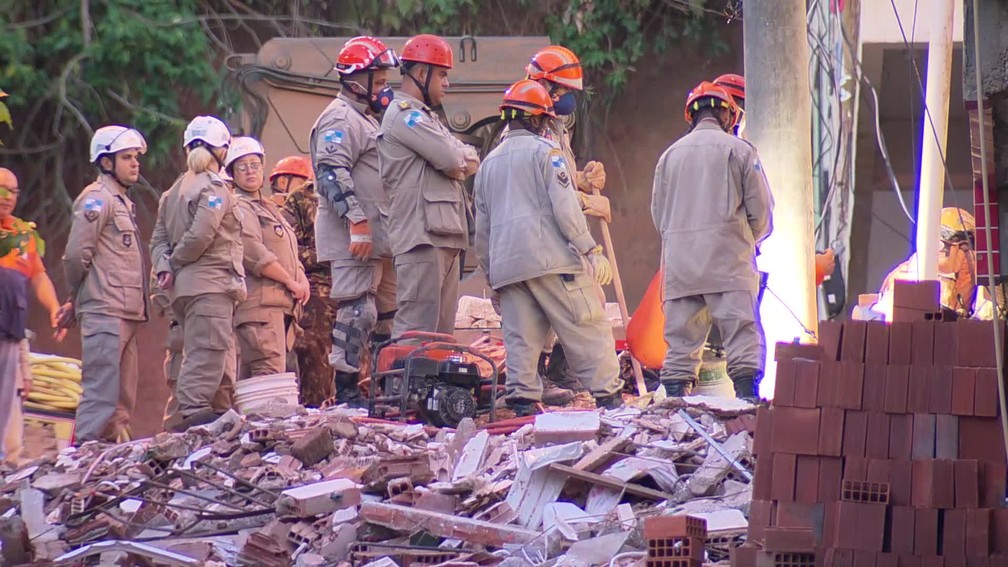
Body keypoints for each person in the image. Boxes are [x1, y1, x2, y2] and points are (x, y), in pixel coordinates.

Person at [474, 80, 624, 416]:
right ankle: (611, 400)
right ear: (539, 119)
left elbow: (481, 230)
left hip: (508, 268)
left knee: (521, 341)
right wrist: (590, 250)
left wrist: (490, 275)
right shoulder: (548, 154)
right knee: (588, 326)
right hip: (551, 262)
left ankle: (524, 404)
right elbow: (567, 210)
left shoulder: (488, 165)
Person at [651, 82, 774, 399]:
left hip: (682, 267)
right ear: (729, 115)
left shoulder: (668, 157)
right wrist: (749, 241)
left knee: (680, 344)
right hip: (728, 263)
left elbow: (659, 215)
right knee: (741, 335)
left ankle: (676, 407)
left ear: (691, 116)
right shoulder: (741, 151)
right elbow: (761, 211)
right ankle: (747, 403)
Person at [310, 36, 400, 406]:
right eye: (377, 80)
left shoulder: (364, 119)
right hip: (355, 235)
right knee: (358, 309)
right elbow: (331, 171)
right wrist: (356, 221)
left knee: (388, 315)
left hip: (380, 236)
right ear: (355, 79)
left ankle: (384, 387)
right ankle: (347, 391)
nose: (383, 87)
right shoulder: (338, 118)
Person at [523, 45, 612, 404]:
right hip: (543, 236)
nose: (567, 100)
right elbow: (547, 192)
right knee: (552, 312)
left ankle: (561, 369)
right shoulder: (532, 129)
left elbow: (561, 176)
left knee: (591, 300)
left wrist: (585, 177)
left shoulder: (554, 126)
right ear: (545, 87)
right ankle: (547, 374)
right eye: (562, 91)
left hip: (558, 235)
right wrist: (588, 202)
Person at [378, 34, 480, 337]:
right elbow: (452, 158)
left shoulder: (428, 119)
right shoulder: (404, 116)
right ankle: (404, 387)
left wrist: (461, 158)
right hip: (420, 238)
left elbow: (469, 159)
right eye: (443, 74)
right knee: (416, 333)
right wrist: (460, 158)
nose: (447, 83)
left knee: (442, 335)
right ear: (422, 74)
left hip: (443, 237)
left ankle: (434, 387)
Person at [150, 115, 245, 428]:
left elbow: (157, 240)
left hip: (187, 289)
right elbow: (201, 234)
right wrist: (177, 263)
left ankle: (211, 415)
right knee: (207, 351)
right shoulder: (215, 188)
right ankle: (192, 414)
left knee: (209, 352)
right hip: (210, 285)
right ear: (221, 151)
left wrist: (166, 266)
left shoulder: (173, 191)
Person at [226, 137, 308, 380]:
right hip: (259, 310)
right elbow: (254, 253)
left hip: (280, 309)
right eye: (242, 166)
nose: (250, 171)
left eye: (255, 164)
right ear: (232, 173)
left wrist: (301, 279)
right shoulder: (239, 207)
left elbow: (290, 251)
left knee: (271, 380)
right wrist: (290, 282)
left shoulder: (269, 208)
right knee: (268, 379)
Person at [0, 168, 62, 462]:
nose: (7, 197)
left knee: (11, 402)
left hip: (12, 334)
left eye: (13, 191)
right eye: (2, 189)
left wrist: (53, 309)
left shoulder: (23, 234)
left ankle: (9, 469)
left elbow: (38, 277)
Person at [278, 158, 338, 406]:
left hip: (358, 289)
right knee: (313, 357)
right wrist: (328, 254)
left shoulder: (365, 193)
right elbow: (286, 249)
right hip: (317, 293)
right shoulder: (300, 199)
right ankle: (314, 415)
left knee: (359, 362)